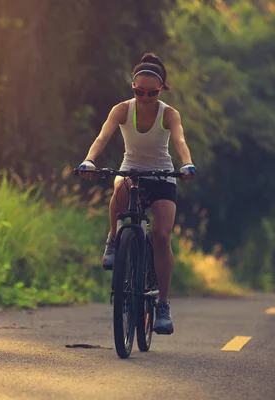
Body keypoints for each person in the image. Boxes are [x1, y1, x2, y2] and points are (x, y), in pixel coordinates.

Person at [77, 52, 196, 335]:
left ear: (161, 89)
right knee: (120, 191)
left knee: (162, 235)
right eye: (138, 92)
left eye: (151, 93)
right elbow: (102, 137)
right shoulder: (121, 110)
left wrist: (187, 163)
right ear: (132, 89)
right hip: (131, 168)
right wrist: (89, 160)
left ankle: (163, 306)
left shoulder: (169, 114)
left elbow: (179, 140)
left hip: (162, 174)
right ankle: (113, 240)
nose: (144, 97)